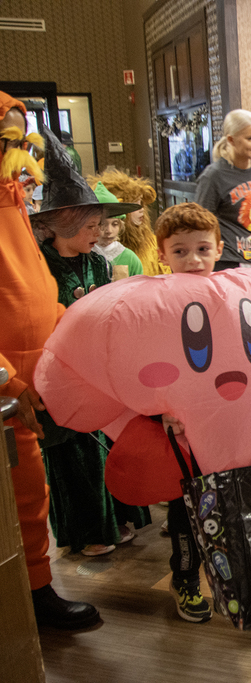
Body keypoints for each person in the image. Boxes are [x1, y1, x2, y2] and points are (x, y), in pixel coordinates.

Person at [153, 202, 251, 640]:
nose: (193, 260)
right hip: (185, 435)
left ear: (220, 248)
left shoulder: (238, 296)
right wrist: (160, 410)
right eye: (180, 251)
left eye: (202, 248)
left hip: (239, 427)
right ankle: (185, 581)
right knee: (189, 515)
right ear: (163, 254)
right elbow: (149, 365)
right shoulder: (158, 305)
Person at [0, 92, 105, 629]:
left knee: (30, 495)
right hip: (7, 391)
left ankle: (36, 588)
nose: (18, 156)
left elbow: (34, 289)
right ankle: (28, 597)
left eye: (20, 143)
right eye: (5, 143)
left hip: (31, 383)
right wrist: (8, 380)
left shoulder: (12, 200)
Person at [33, 201, 151, 557]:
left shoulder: (97, 262)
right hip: (57, 371)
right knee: (72, 452)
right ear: (64, 226)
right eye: (91, 227)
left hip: (98, 368)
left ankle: (115, 519)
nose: (99, 233)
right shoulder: (39, 265)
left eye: (101, 225)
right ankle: (87, 531)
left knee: (108, 443)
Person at [194, 109, 251, 272]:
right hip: (229, 260)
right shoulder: (214, 175)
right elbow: (201, 223)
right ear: (231, 140)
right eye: (250, 138)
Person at [90, 168, 167, 275]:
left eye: (142, 204)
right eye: (135, 205)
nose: (142, 210)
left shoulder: (151, 246)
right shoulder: (90, 252)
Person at [91, 181, 144, 278]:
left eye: (115, 224)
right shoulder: (84, 257)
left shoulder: (130, 259)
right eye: (102, 224)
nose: (109, 231)